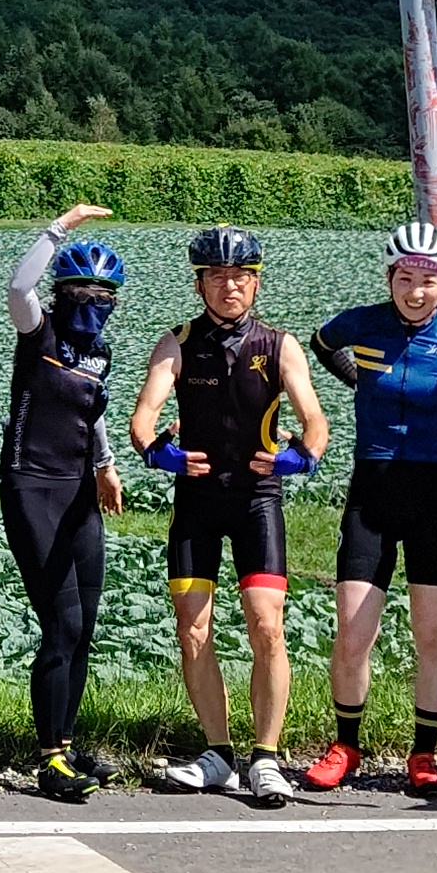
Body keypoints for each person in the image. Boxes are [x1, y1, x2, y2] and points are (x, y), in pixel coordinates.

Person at [303, 219, 437, 796]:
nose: (415, 290)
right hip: (372, 487)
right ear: (390, 275)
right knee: (352, 631)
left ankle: (424, 753)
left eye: (429, 279)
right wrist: (359, 383)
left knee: (433, 635)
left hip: (433, 491)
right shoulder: (363, 322)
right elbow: (323, 344)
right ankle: (346, 744)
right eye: (405, 277)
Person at [130, 225, 330, 807]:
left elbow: (314, 418)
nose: (230, 286)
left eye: (240, 275)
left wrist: (303, 456)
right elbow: (145, 416)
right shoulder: (176, 344)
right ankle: (218, 753)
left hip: (256, 501)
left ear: (255, 280)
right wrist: (156, 451)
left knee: (267, 624)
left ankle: (266, 758)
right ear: (200, 283)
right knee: (192, 628)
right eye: (216, 275)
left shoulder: (278, 345)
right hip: (196, 501)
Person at [2, 203, 129, 805]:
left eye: (103, 291)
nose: (91, 299)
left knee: (86, 626)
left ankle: (68, 744)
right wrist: (59, 228)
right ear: (61, 292)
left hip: (81, 491)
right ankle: (48, 759)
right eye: (79, 287)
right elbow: (18, 284)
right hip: (32, 488)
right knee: (63, 621)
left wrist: (106, 467)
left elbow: (93, 410)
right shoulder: (40, 332)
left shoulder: (99, 355)